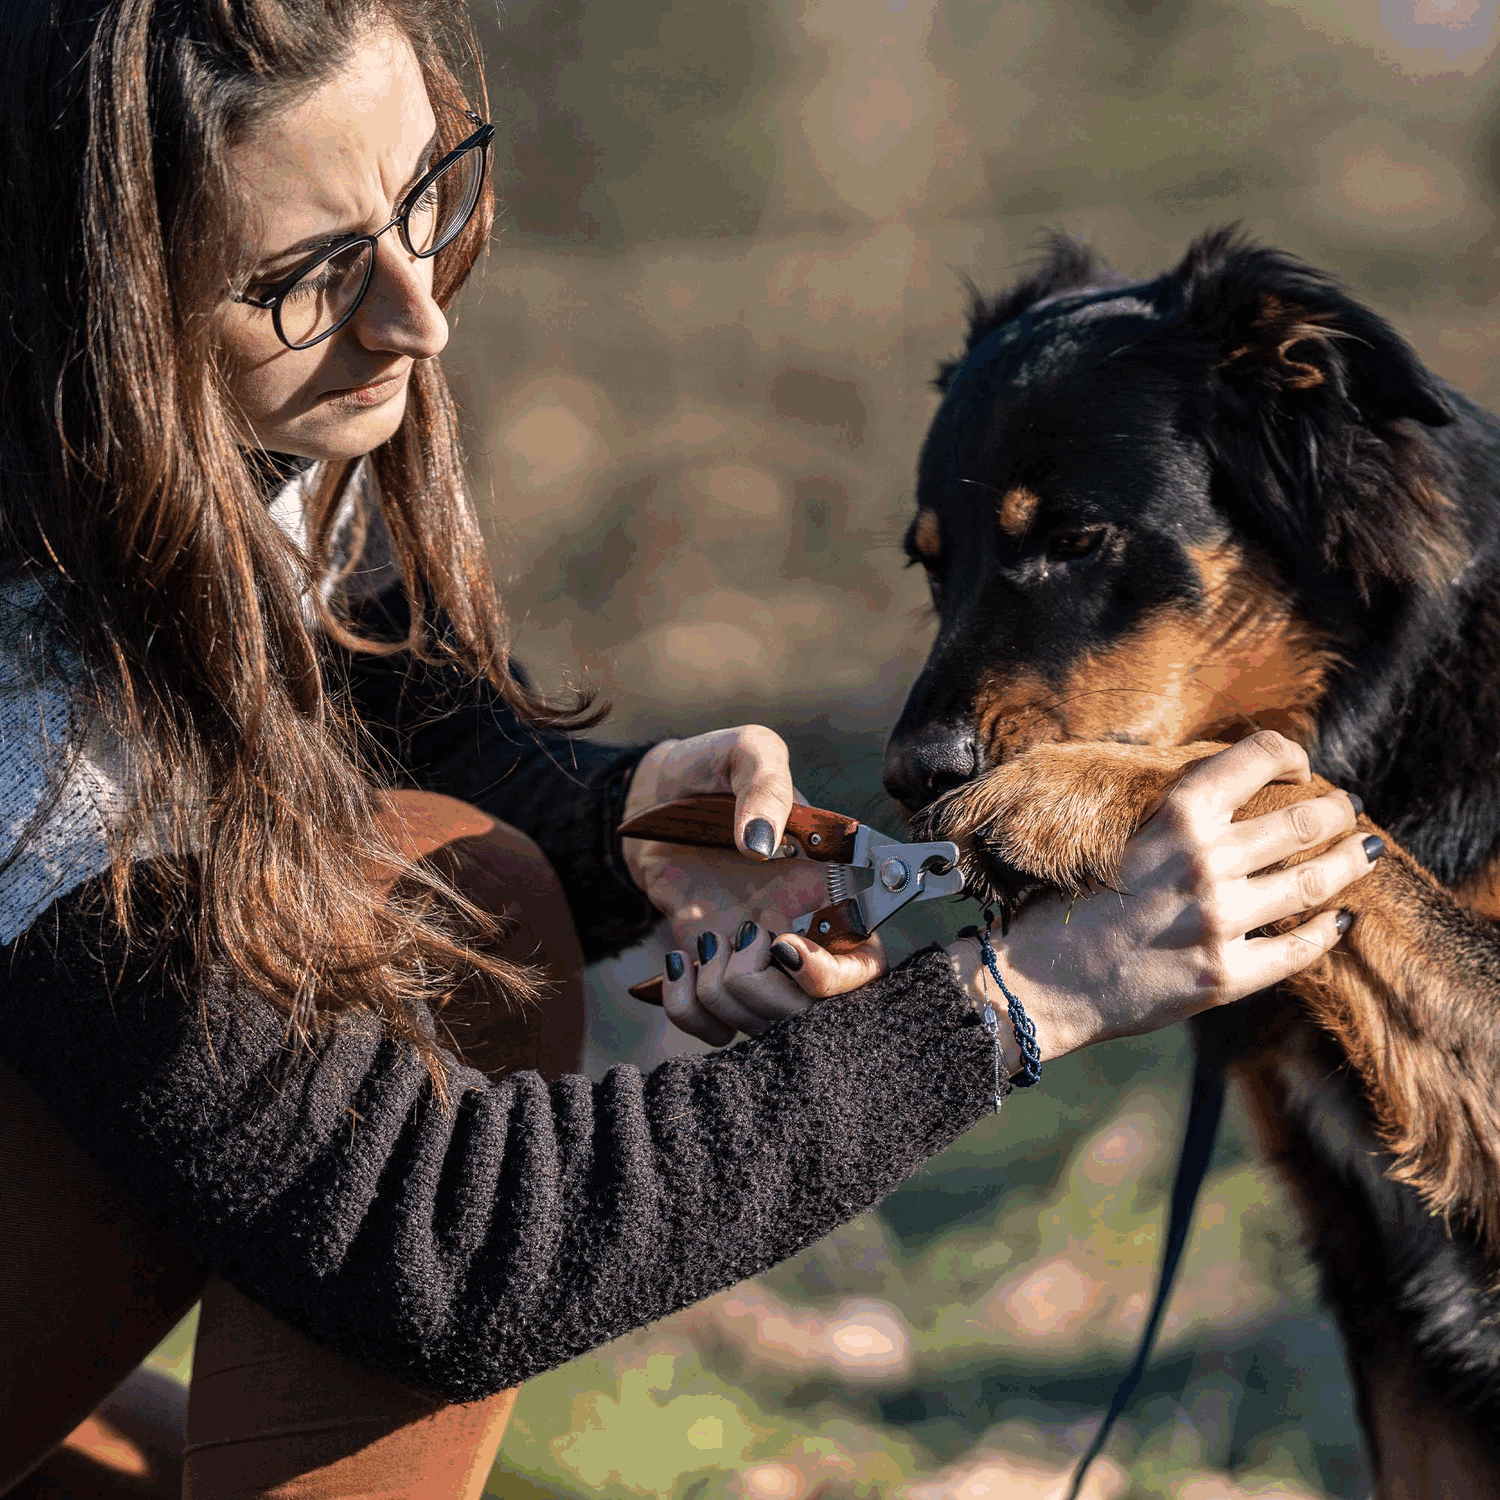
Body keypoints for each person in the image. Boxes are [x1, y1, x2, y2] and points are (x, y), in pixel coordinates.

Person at [0, 0, 1379, 1494]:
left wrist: (626, 822)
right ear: (92, 306)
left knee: (469, 881)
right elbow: (439, 1247)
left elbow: (359, 683)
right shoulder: (31, 688)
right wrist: (1032, 995)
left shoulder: (186, 436)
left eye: (422, 199)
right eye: (308, 278)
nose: (419, 316)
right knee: (433, 919)